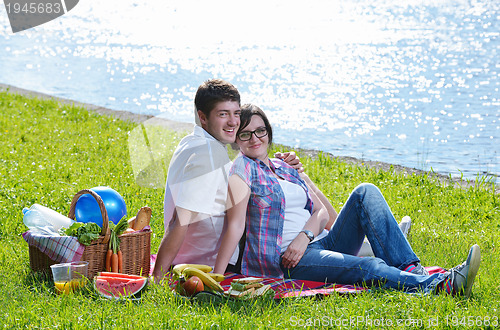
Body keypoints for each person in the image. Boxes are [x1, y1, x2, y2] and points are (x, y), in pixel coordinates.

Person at [214, 104, 481, 297]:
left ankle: (412, 268)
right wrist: (217, 278)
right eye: (245, 134)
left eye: (260, 131)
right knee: (368, 266)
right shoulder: (242, 171)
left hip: (316, 242)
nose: (255, 139)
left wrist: (304, 230)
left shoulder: (282, 166)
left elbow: (322, 213)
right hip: (289, 261)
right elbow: (234, 226)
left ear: (269, 133)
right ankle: (440, 285)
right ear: (236, 140)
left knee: (365, 191)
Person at [152, 80, 301, 281]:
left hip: (196, 257)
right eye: (223, 114)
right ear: (202, 117)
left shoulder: (193, 142)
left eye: (236, 113)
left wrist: (276, 164)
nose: (233, 122)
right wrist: (157, 278)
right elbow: (179, 222)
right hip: (210, 263)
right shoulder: (207, 156)